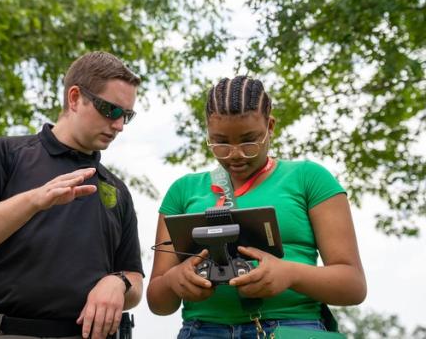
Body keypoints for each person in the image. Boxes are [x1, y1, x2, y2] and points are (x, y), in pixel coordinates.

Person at [0, 51, 144, 339]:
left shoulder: (117, 190)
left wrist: (118, 283)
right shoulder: (4, 155)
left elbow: (134, 278)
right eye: (111, 110)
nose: (119, 126)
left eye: (127, 116)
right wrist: (33, 201)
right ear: (74, 98)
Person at [146, 76, 367, 338]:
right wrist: (175, 280)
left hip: (291, 328)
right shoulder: (183, 191)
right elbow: (158, 302)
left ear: (270, 126)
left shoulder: (309, 178)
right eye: (221, 142)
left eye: (249, 141)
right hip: (202, 330)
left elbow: (353, 286)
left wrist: (290, 274)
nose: (236, 154)